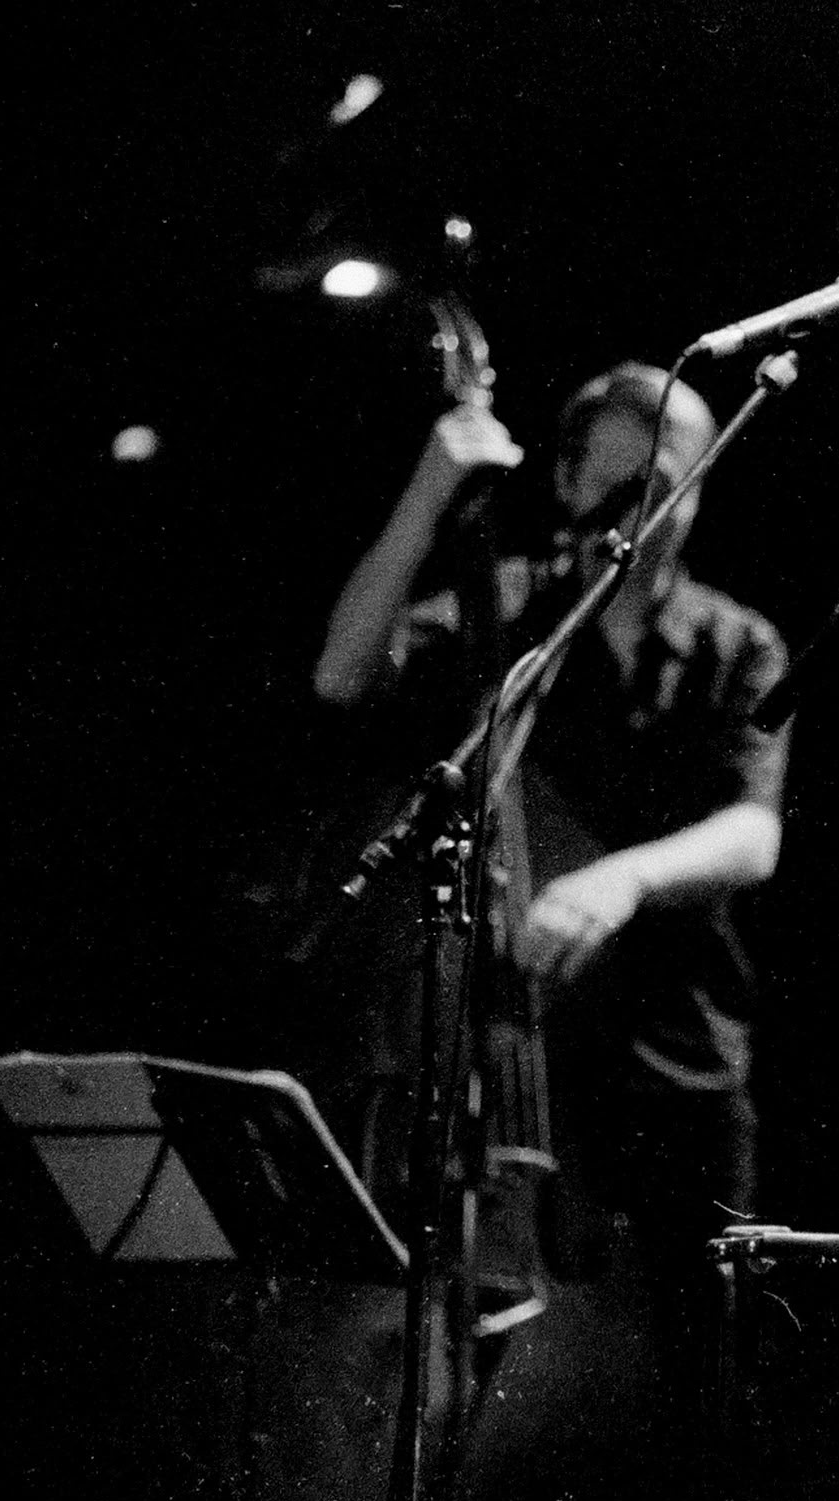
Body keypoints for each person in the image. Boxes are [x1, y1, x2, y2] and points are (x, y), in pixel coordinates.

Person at [309, 359, 791, 1445]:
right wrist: (432, 488)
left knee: (706, 1355)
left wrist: (621, 877)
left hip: (678, 1041)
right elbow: (344, 675)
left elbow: (753, 830)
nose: (643, 508)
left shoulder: (739, 643)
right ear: (568, 485)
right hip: (519, 1040)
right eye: (617, 485)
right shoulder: (509, 613)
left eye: (667, 479)